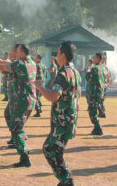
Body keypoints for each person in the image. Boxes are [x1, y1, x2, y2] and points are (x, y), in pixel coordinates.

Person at [34, 41, 81, 186]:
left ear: (63, 55)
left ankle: (67, 180)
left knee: (50, 148)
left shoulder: (63, 73)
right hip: (69, 118)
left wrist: (40, 87)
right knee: (54, 149)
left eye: (58, 53)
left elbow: (53, 96)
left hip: (62, 120)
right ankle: (65, 180)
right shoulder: (75, 72)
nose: (56, 55)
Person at [0, 44, 36, 168]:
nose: (15, 53)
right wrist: (1, 61)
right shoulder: (31, 63)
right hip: (28, 100)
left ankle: (24, 157)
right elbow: (9, 63)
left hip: (20, 101)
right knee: (9, 115)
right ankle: (18, 138)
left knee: (16, 129)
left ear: (22, 52)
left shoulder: (20, 64)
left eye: (17, 51)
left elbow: (4, 68)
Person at [86, 53, 105, 135]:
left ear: (97, 59)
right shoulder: (103, 68)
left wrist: (87, 71)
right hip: (100, 92)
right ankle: (96, 128)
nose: (93, 59)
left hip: (94, 92)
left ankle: (98, 127)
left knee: (92, 111)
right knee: (94, 110)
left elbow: (89, 79)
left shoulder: (94, 69)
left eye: (94, 58)